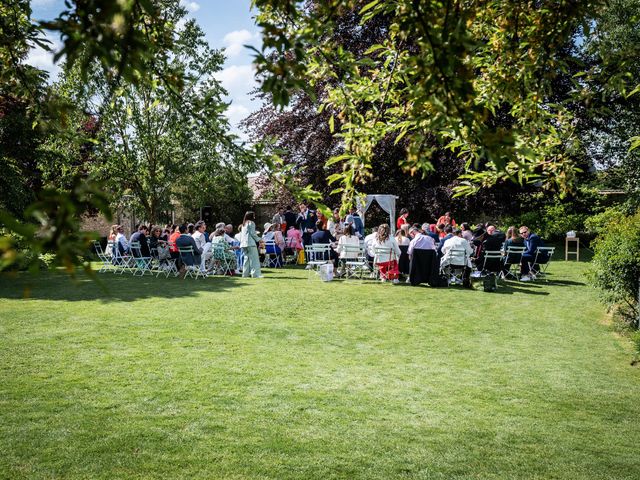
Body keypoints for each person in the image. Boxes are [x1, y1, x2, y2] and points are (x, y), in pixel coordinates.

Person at [239, 211, 263, 278]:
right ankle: (256, 274)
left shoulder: (243, 224)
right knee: (254, 259)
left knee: (246, 259)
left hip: (243, 244)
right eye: (254, 215)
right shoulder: (251, 223)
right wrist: (259, 239)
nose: (254, 217)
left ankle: (245, 274)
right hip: (250, 243)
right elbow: (253, 233)